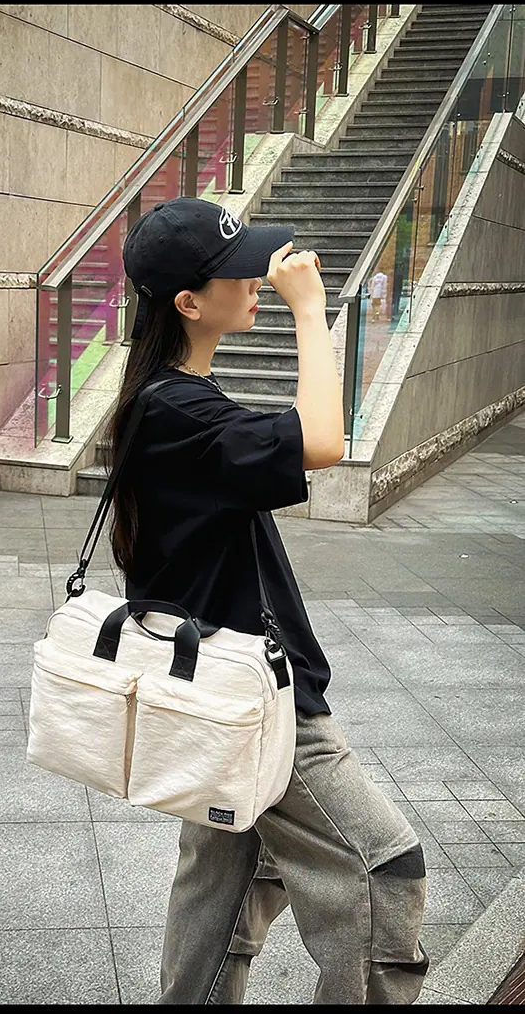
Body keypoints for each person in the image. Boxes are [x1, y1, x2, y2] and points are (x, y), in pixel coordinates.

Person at [107, 196, 427, 1005]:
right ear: (189, 303)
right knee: (384, 867)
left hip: (227, 690)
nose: (257, 278)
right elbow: (322, 440)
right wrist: (311, 313)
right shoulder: (173, 410)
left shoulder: (171, 398)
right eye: (238, 271)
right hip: (258, 698)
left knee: (221, 893)